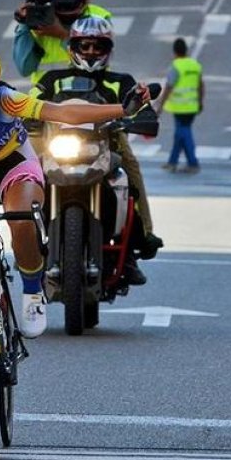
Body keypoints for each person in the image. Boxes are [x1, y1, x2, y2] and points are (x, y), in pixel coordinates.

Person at [0, 40, 151, 421]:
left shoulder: (7, 101)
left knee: (22, 213)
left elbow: (64, 113)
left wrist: (121, 108)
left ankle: (31, 290)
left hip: (13, 165)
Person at [33, 16, 161, 284]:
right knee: (26, 172)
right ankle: (25, 238)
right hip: (57, 144)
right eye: (84, 46)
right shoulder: (53, 79)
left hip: (108, 143)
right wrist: (19, 114)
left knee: (131, 171)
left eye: (98, 46)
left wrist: (144, 113)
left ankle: (139, 241)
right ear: (72, 48)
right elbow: (31, 100)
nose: (90, 52)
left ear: (108, 50)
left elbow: (140, 102)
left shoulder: (121, 80)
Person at [157, 37, 204, 173]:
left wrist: (160, 105)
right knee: (180, 134)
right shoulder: (195, 65)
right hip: (192, 105)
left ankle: (193, 163)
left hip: (180, 107)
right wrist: (200, 101)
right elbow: (201, 85)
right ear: (186, 50)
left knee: (183, 133)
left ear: (174, 52)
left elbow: (168, 87)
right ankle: (172, 162)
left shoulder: (176, 66)